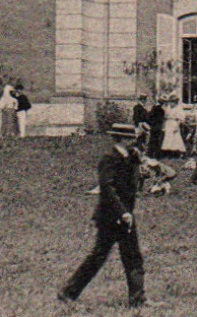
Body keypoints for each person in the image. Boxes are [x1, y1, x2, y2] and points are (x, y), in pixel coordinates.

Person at [58, 123, 147, 307]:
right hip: (110, 217)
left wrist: (138, 166)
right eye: (131, 138)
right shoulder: (109, 159)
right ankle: (68, 292)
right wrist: (122, 212)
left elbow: (132, 184)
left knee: (133, 257)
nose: (134, 141)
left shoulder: (130, 158)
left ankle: (138, 299)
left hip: (126, 217)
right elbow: (107, 188)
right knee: (97, 257)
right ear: (122, 139)